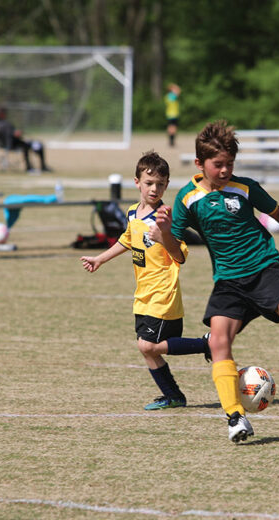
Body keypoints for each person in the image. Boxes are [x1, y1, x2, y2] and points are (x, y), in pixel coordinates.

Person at [153, 120, 279, 443]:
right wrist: (164, 232)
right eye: (217, 164)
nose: (224, 170)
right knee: (219, 341)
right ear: (199, 164)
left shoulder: (245, 187)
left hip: (265, 268)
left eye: (229, 164)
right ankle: (235, 417)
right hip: (228, 281)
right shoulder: (187, 199)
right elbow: (177, 253)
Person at [80, 151, 211, 410]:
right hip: (143, 295)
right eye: (149, 183)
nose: (154, 189)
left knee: (147, 345)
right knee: (147, 350)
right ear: (137, 182)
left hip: (163, 294)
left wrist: (164, 237)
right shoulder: (132, 213)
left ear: (167, 185)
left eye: (160, 184)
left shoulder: (165, 220)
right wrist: (100, 259)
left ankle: (208, 344)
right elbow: (127, 240)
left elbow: (180, 256)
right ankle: (173, 396)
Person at [0, 106, 52, 173]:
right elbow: (11, 134)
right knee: (27, 146)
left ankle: (36, 166)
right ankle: (31, 167)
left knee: (32, 144)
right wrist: (17, 133)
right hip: (11, 144)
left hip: (3, 144)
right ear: (1, 114)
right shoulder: (4, 124)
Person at [164, 83, 181, 147]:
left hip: (169, 114)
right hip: (173, 114)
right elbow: (178, 90)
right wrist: (175, 86)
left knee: (170, 127)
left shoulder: (167, 96)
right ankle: (172, 141)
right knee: (173, 127)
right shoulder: (171, 96)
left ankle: (171, 141)